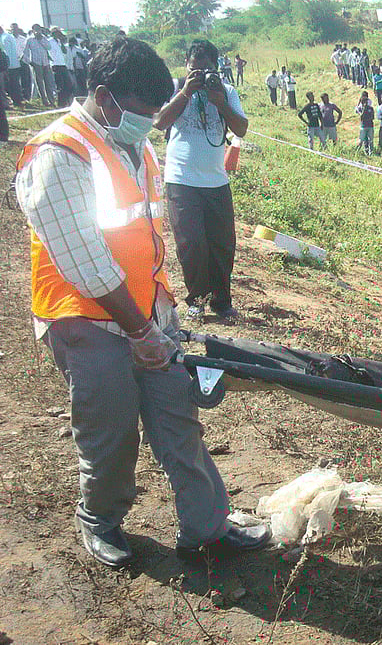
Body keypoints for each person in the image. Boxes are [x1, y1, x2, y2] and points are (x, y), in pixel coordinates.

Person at [14, 37, 270, 569]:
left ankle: (206, 527)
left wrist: (159, 318)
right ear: (104, 97)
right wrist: (139, 331)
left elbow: (144, 237)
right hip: (85, 320)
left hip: (148, 313)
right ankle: (100, 519)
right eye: (140, 112)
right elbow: (86, 264)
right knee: (109, 432)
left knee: (179, 422)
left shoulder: (138, 145)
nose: (148, 122)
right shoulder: (58, 154)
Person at [155, 38, 248, 321]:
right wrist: (185, 92)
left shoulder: (226, 91)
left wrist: (220, 102)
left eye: (206, 70)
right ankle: (197, 300)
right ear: (186, 66)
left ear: (216, 69)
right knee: (191, 243)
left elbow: (241, 129)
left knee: (222, 245)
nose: (200, 75)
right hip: (181, 178)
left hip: (216, 180)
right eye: (194, 69)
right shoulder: (174, 87)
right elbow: (159, 122)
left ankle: (222, 302)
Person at [22, 24, 55, 106]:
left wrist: (41, 39)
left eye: (39, 29)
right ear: (33, 30)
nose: (38, 30)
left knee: (48, 82)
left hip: (45, 62)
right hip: (36, 63)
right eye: (36, 29)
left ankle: (51, 100)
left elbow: (49, 47)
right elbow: (25, 52)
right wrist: (29, 62)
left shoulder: (44, 38)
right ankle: (44, 100)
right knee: (39, 82)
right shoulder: (29, 39)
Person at [0, 26, 23, 106]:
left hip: (9, 65)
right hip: (14, 63)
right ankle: (18, 99)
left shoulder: (3, 38)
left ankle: (16, 100)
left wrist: (5, 65)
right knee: (15, 83)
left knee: (11, 84)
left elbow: (6, 53)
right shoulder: (8, 36)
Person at [355, 91, 374, 155]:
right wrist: (364, 110)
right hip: (363, 126)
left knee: (371, 140)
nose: (365, 103)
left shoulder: (371, 108)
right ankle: (357, 152)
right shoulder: (360, 108)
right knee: (361, 140)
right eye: (364, 102)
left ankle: (371, 153)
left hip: (370, 126)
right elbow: (361, 117)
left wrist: (367, 117)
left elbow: (372, 117)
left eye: (366, 101)